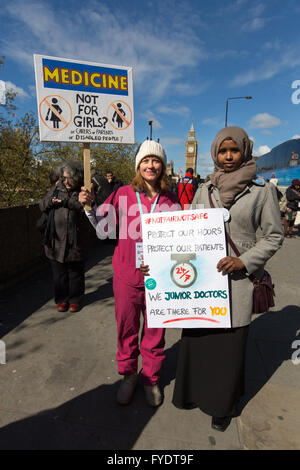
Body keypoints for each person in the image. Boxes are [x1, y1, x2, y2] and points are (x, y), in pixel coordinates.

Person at [172, 126, 284, 432]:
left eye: (234, 150)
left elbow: (274, 236)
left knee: (229, 350)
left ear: (245, 151)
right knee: (200, 343)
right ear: (215, 154)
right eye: (223, 151)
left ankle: (223, 405)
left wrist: (244, 261)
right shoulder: (203, 189)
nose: (229, 156)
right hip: (203, 283)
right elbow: (188, 233)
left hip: (237, 283)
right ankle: (193, 393)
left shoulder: (262, 191)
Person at [79, 140, 180, 407]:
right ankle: (128, 376)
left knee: (156, 331)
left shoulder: (171, 198)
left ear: (162, 166)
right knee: (127, 329)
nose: (151, 165)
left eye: (156, 160)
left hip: (159, 279)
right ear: (139, 165)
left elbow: (180, 237)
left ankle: (150, 379)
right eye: (146, 160)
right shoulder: (123, 193)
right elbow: (103, 228)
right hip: (127, 275)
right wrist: (89, 207)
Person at [39, 161, 86, 313]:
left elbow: (85, 208)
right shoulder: (56, 189)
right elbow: (42, 204)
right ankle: (61, 299)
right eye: (64, 178)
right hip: (55, 240)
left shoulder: (83, 191)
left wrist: (67, 202)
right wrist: (50, 202)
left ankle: (75, 300)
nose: (66, 181)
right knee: (59, 275)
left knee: (75, 274)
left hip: (75, 241)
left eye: (69, 178)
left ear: (77, 178)